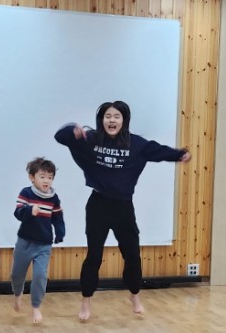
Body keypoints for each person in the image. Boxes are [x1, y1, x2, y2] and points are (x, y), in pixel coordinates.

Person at [55, 100, 189, 321]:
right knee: (94, 256)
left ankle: (135, 296)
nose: (112, 120)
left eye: (116, 116)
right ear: (101, 120)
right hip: (98, 205)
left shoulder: (136, 144)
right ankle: (86, 301)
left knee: (132, 255)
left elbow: (157, 151)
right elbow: (61, 137)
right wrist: (73, 131)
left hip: (123, 207)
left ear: (124, 120)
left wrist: (179, 155)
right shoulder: (91, 140)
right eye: (108, 116)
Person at [10, 157, 65, 325]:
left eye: (50, 177)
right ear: (32, 177)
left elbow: (58, 217)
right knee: (17, 274)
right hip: (25, 242)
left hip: (44, 244)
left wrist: (60, 233)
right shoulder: (26, 193)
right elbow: (18, 213)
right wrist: (29, 210)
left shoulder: (53, 198)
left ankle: (35, 306)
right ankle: (18, 293)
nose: (46, 180)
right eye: (42, 177)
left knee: (40, 276)